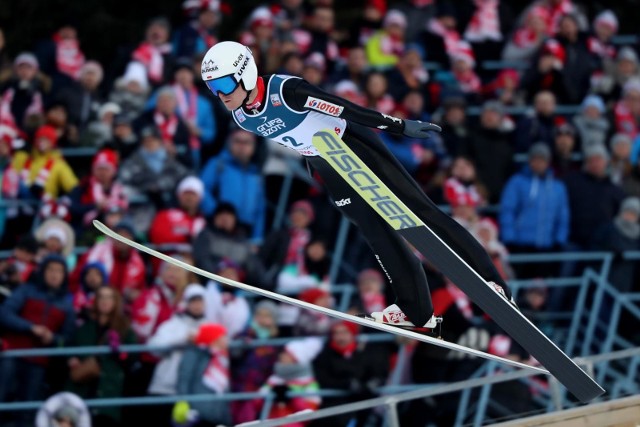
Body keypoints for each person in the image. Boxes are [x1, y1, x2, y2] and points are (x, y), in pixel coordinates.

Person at [200, 41, 516, 331]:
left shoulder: (286, 91)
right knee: (375, 230)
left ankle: (490, 280)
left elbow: (343, 108)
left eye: (224, 83)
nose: (220, 93)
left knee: (417, 211)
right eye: (213, 88)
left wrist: (398, 125)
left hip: (351, 145)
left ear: (245, 72)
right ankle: (416, 310)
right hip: (326, 164)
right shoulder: (242, 117)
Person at [0, 255, 76, 426]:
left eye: (59, 271)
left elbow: (67, 340)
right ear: (43, 272)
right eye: (51, 269)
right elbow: (4, 313)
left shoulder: (66, 305)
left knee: (28, 410)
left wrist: (53, 338)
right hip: (12, 354)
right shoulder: (26, 290)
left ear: (65, 275)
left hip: (39, 362)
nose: (54, 274)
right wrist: (30, 327)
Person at [66, 287, 137, 426]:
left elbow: (132, 359)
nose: (105, 301)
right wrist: (71, 358)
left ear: (115, 301)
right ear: (96, 301)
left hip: (109, 390)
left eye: (109, 297)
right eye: (101, 297)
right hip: (83, 390)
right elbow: (70, 346)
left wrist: (119, 352)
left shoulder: (124, 328)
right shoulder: (84, 327)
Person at [499, 143, 570, 278]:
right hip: (520, 244)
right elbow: (508, 211)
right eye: (535, 159)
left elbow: (562, 217)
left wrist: (559, 240)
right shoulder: (517, 182)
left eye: (542, 160)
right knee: (517, 283)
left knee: (539, 288)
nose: (538, 163)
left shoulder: (557, 187)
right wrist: (510, 239)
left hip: (546, 246)